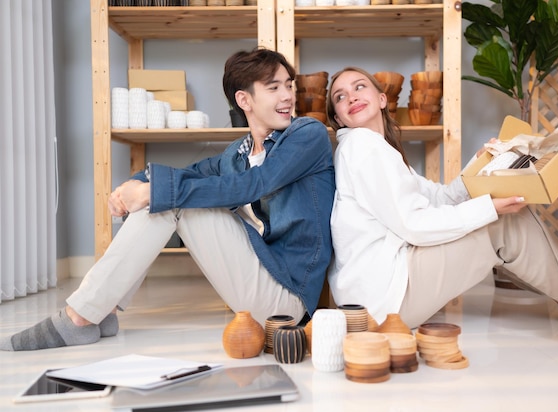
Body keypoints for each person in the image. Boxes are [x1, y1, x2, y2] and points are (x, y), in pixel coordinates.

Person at [1, 47, 335, 351]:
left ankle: (82, 316)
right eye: (274, 87)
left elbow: (252, 185)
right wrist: (131, 186)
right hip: (256, 282)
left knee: (171, 199)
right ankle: (93, 313)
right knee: (166, 194)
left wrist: (152, 191)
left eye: (288, 85)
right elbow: (188, 172)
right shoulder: (237, 153)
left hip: (287, 302)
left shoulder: (307, 135)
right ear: (244, 101)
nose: (288, 95)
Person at [325, 66, 558, 329]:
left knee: (502, 216)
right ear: (338, 119)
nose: (351, 97)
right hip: (384, 299)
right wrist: (489, 209)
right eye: (340, 96)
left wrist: (476, 166)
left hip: (383, 292)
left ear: (382, 99)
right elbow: (413, 225)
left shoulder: (378, 150)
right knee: (506, 223)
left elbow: (438, 197)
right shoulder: (362, 146)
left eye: (359, 87)